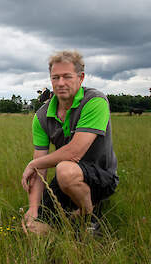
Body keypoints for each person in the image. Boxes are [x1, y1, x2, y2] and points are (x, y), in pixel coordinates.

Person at [22, 50, 118, 235]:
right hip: (65, 180)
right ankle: (68, 233)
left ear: (81, 78)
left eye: (67, 76)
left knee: (65, 169)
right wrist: (33, 209)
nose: (60, 83)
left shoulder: (94, 101)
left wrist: (32, 164)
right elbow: (40, 171)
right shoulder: (42, 116)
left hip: (101, 178)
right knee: (32, 229)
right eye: (55, 77)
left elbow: (74, 152)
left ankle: (90, 217)